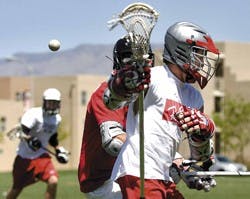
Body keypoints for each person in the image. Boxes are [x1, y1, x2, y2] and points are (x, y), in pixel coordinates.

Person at [104, 21, 220, 198]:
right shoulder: (154, 77)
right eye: (199, 54)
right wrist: (122, 84)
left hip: (164, 176)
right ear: (181, 50)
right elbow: (112, 101)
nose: (203, 61)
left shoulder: (194, 97)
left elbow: (199, 154)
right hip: (139, 172)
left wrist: (204, 130)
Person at [78, 35, 154, 199]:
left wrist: (178, 160)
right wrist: (156, 154)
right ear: (120, 62)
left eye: (142, 61)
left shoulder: (149, 95)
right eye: (131, 60)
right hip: (104, 180)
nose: (137, 66)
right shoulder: (107, 92)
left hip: (126, 171)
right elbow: (114, 142)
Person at [6, 88, 69, 199]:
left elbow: (52, 138)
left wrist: (58, 150)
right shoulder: (34, 114)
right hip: (24, 158)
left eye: (55, 103)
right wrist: (30, 139)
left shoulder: (57, 119)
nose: (52, 106)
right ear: (44, 102)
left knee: (53, 181)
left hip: (41, 157)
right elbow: (22, 131)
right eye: (50, 103)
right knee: (16, 189)